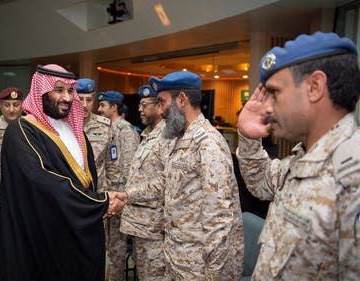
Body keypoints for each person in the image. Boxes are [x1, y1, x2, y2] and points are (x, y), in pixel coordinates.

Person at [236, 31, 360, 280]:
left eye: (275, 93)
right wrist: (249, 137)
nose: (267, 106)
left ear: (315, 87)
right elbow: (261, 183)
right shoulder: (303, 158)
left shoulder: (352, 177)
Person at [0, 64, 121, 281]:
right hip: (40, 237)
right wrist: (99, 203)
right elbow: (43, 182)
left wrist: (99, 201)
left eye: (70, 91)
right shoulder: (21, 130)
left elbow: (88, 180)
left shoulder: (75, 132)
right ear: (42, 91)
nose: (67, 97)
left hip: (75, 231)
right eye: (58, 90)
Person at [111, 71, 244, 280]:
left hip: (199, 266)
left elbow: (220, 219)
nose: (161, 110)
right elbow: (165, 182)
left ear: (181, 100)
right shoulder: (179, 138)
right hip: (177, 257)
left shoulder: (208, 143)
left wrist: (215, 275)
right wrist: (128, 196)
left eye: (162, 102)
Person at [120, 85, 169, 281]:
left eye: (144, 105)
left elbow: (166, 181)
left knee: (154, 276)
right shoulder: (147, 134)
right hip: (140, 224)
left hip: (155, 228)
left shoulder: (168, 136)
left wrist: (128, 195)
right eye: (139, 105)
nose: (139, 109)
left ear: (159, 107)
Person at [97, 90, 140, 281]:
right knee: (108, 248)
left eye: (103, 105)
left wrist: (119, 198)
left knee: (117, 250)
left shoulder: (125, 130)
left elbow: (130, 169)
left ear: (114, 107)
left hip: (120, 200)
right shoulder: (106, 128)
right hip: (107, 196)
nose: (99, 109)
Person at [76, 78, 119, 192]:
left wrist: (112, 195)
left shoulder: (104, 126)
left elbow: (112, 164)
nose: (84, 105)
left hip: (99, 194)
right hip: (73, 194)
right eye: (80, 99)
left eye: (89, 100)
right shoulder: (64, 127)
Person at [0, 87, 23, 221]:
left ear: (22, 104)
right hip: (0, 199)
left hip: (26, 197)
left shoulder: (30, 127)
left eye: (16, 104)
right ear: (0, 106)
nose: (12, 109)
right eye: (7, 105)